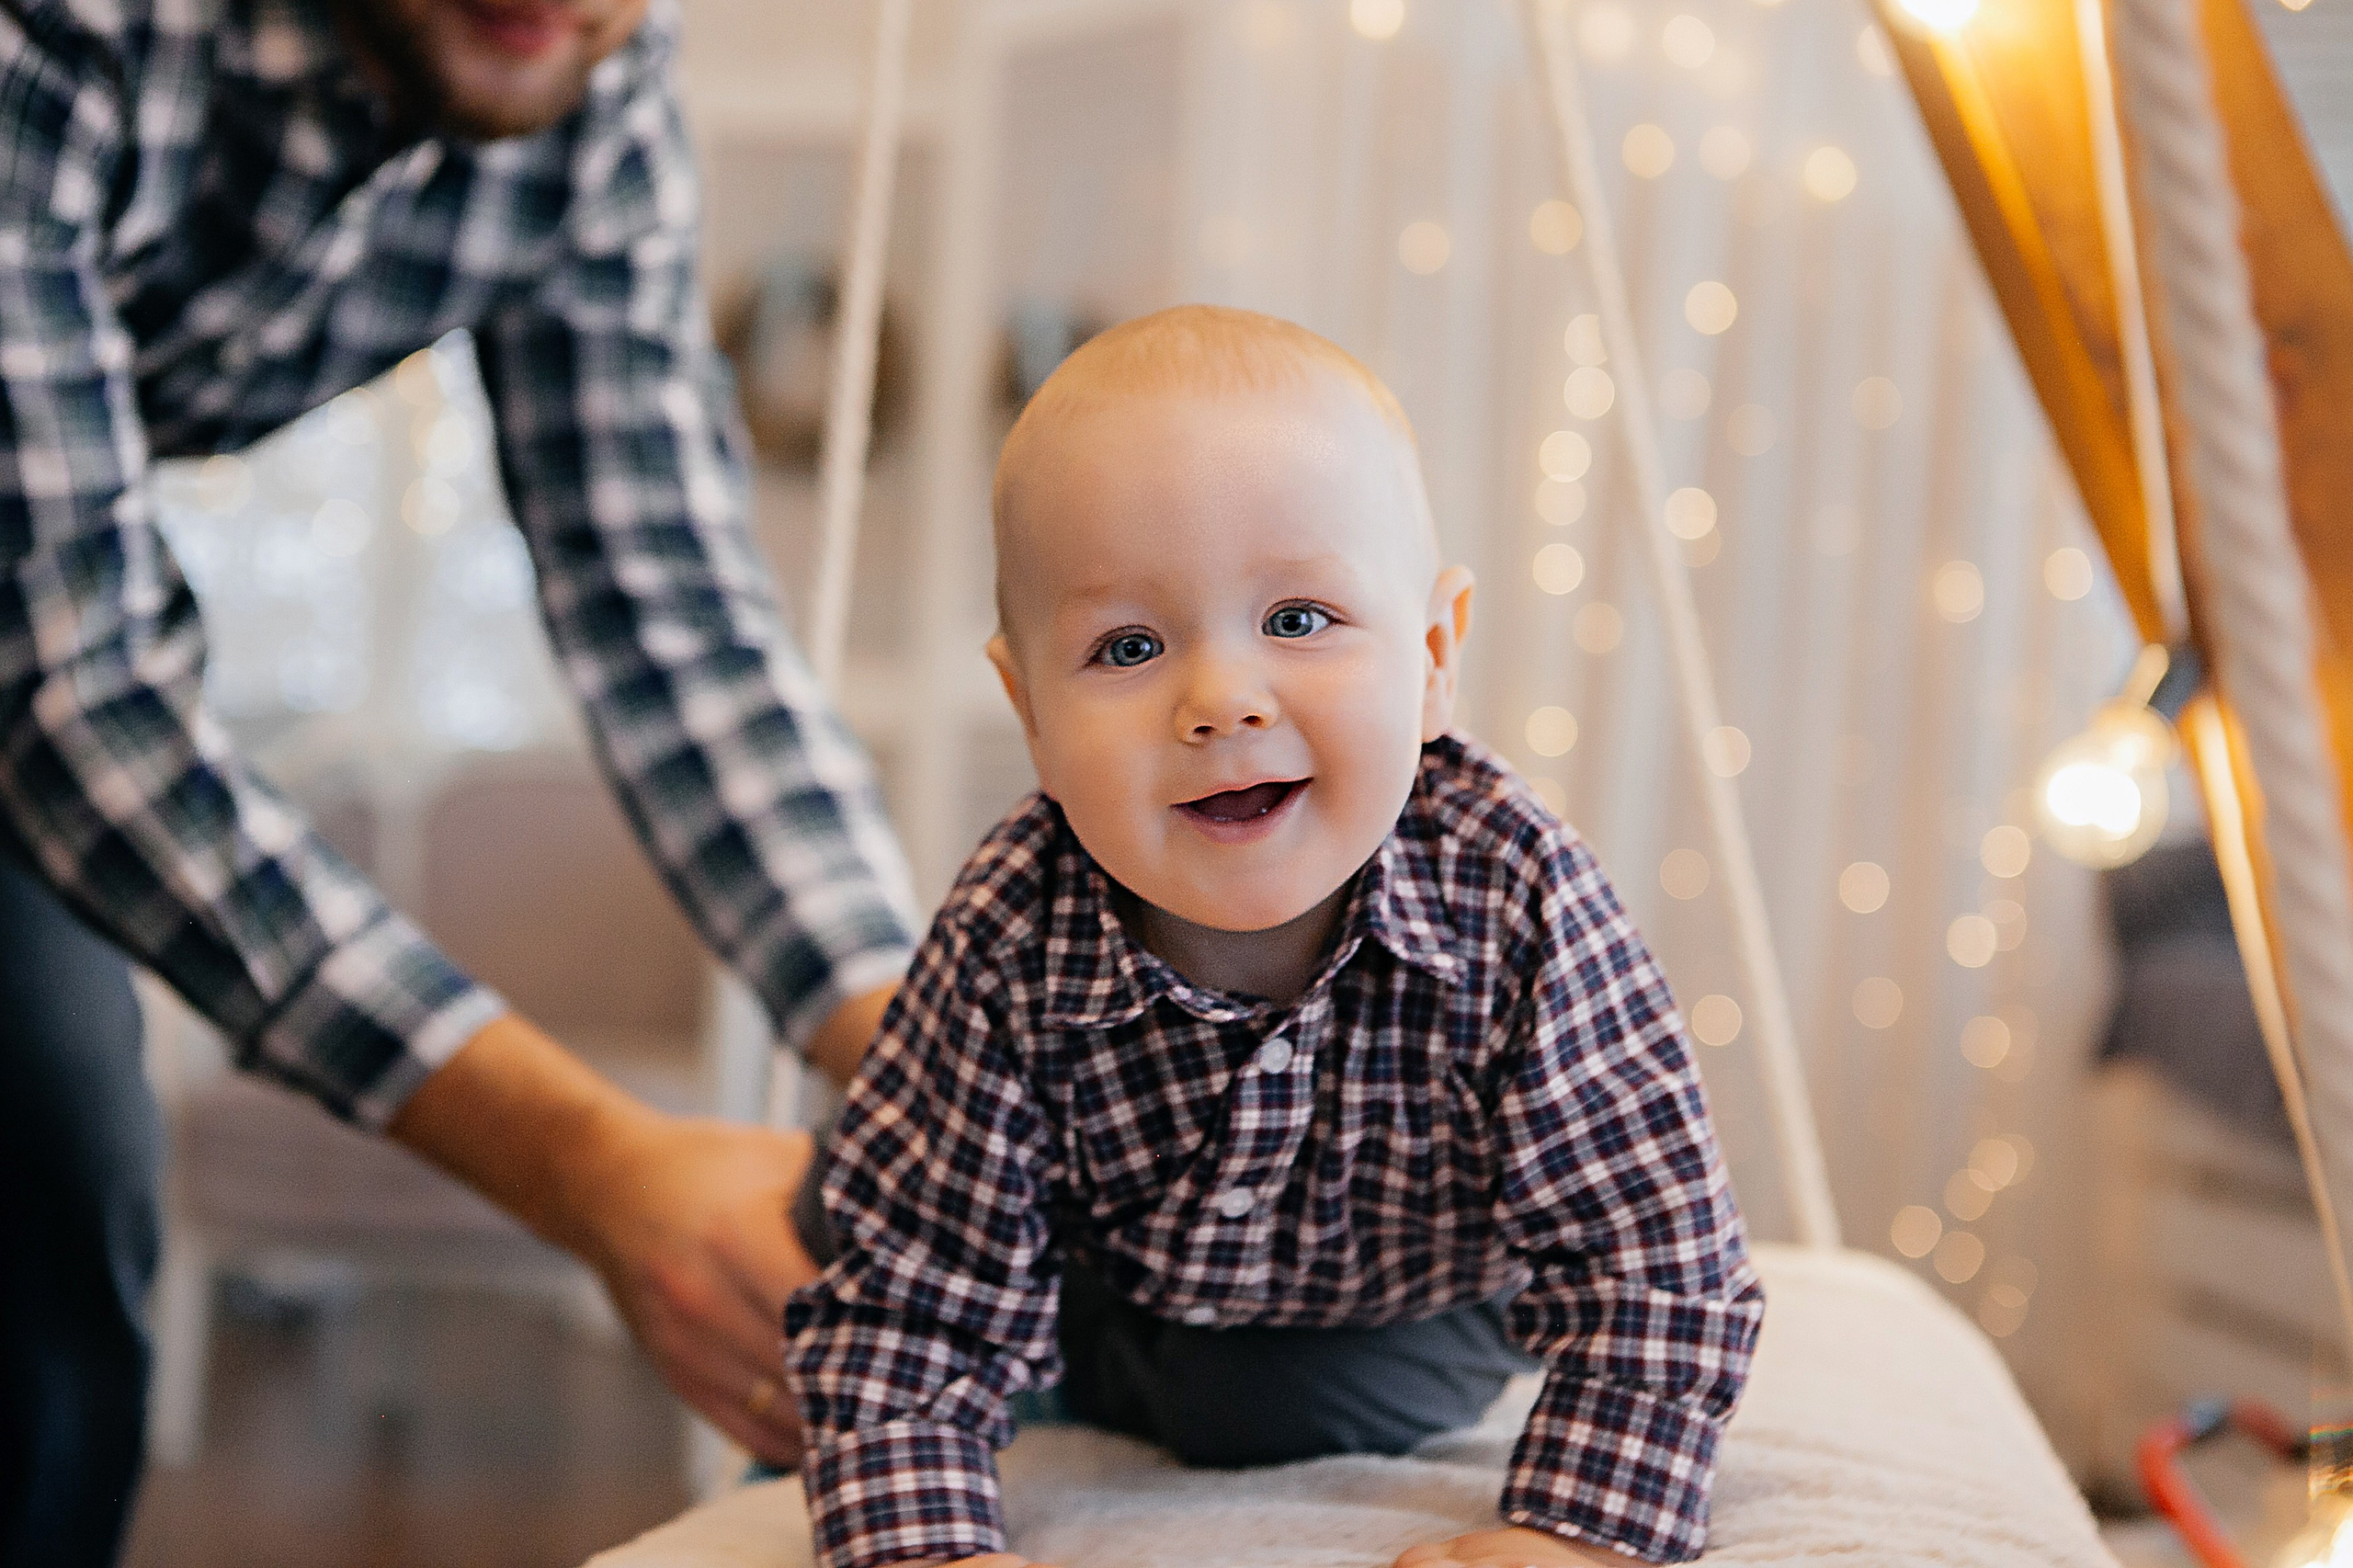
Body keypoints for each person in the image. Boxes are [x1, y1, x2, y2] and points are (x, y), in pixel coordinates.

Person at [0, 0, 910, 1561]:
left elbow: (669, 604)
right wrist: (594, 1163)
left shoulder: (587, 70)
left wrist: (930, 1053)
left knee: (53, 1202)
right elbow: (75, 693)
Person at [783, 305, 1764, 1568]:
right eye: (1128, 646)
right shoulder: (1011, 926)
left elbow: (1656, 1256)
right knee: (850, 1206)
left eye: (1299, 619)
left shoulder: (1513, 893)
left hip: (1394, 1305)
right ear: (1029, 707)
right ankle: (999, 1378)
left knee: (1262, 1409)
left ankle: (1091, 1378)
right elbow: (913, 1296)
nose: (1223, 699)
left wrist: (1582, 1533)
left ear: (1433, 655)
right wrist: (918, 1544)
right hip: (1099, 1271)